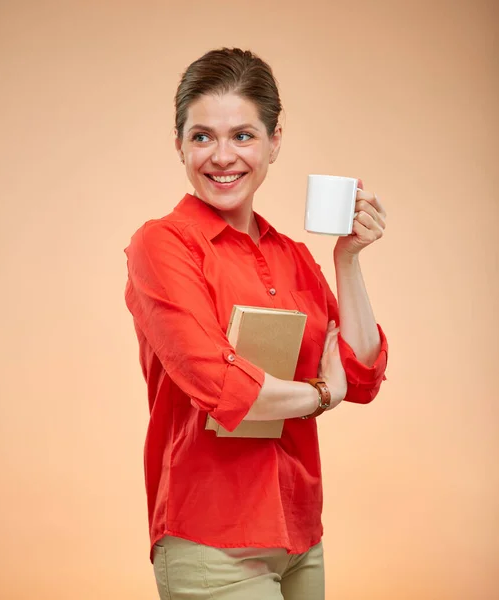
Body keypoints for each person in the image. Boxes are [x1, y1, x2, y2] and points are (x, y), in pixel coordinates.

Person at [124, 47, 388, 600]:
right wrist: (320, 393)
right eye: (202, 137)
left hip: (299, 534)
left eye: (243, 136)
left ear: (274, 143)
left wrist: (348, 259)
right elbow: (222, 387)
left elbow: (359, 374)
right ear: (179, 146)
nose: (222, 156)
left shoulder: (292, 255)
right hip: (211, 540)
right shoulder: (163, 245)